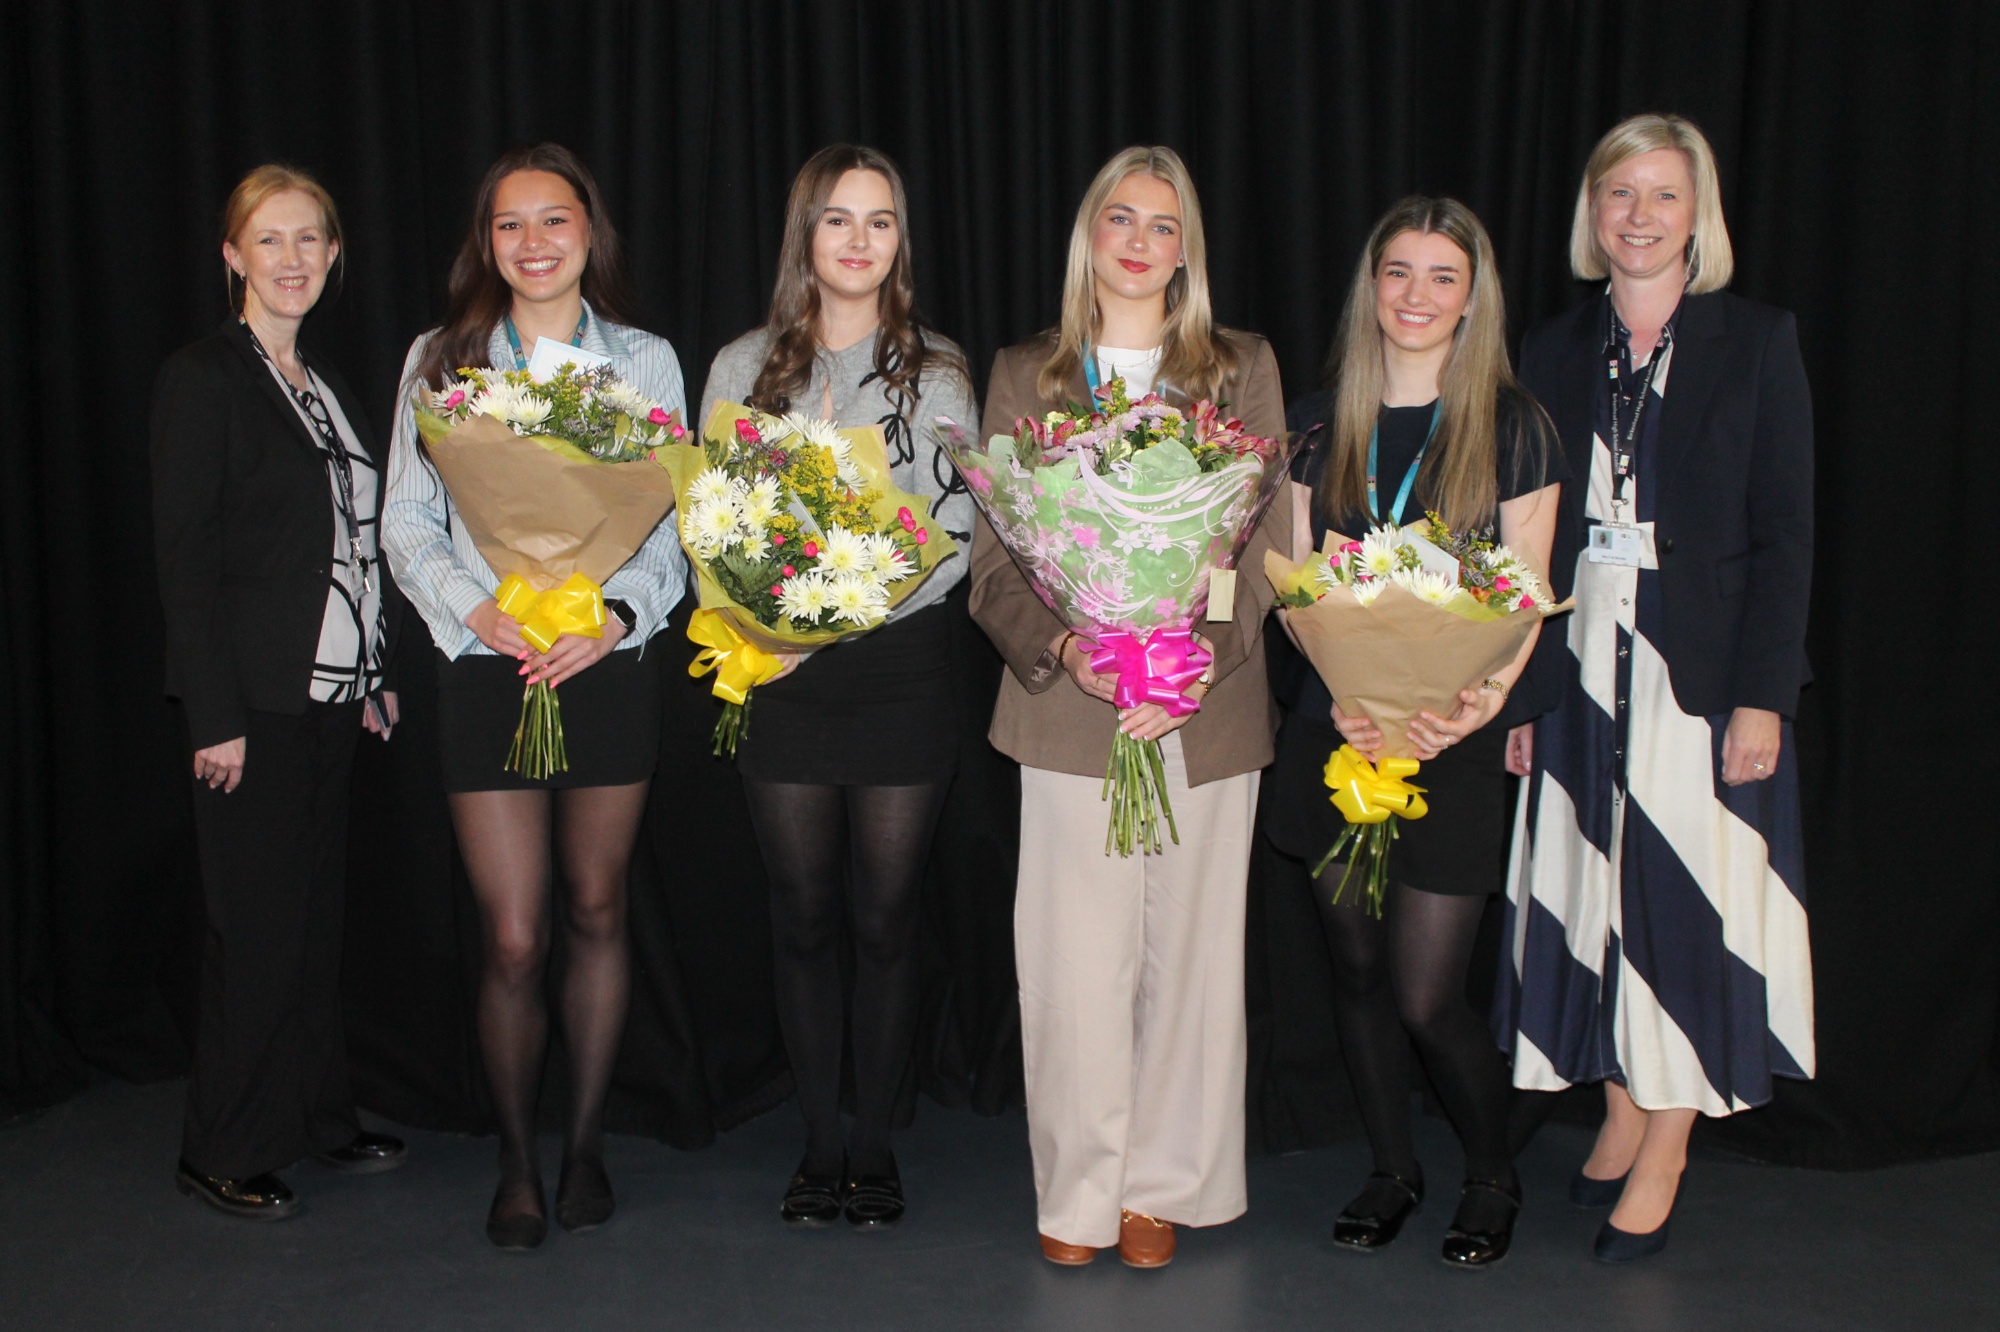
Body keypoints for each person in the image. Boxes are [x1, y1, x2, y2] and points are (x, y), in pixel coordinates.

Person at [1495, 113, 1815, 1263]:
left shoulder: (1754, 340)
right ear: (1592, 212)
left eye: (1662, 194)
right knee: (1594, 892)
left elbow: (1785, 532)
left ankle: (1668, 1135)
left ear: (1696, 216)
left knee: (1681, 900)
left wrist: (1762, 696)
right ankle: (1623, 1101)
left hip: (1701, 675)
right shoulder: (1548, 346)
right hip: (1578, 662)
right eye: (1618, 193)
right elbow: (1518, 537)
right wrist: (1520, 695)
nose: (1638, 215)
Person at [968, 145, 1290, 1270]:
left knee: (1190, 961)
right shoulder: (1028, 372)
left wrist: (1195, 659)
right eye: (1121, 218)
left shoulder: (1240, 367)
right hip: (1071, 708)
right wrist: (1068, 646)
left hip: (1204, 710)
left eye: (1163, 224)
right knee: (1073, 964)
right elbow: (996, 563)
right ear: (1088, 236)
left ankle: (1161, 1188)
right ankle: (1079, 1192)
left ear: (1185, 246)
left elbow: (1263, 545)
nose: (1140, 242)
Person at [380, 143, 689, 1250]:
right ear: (487, 242)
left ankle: (585, 1145)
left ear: (588, 231)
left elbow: (673, 520)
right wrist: (473, 609)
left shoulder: (645, 360)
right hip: (488, 661)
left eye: (554, 219)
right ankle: (515, 1162)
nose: (534, 242)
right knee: (513, 936)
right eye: (509, 224)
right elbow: (405, 516)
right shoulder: (441, 356)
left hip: (605, 666)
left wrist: (617, 620)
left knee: (598, 909)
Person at [1264, 197, 1565, 1267]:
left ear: (1472, 298)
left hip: (1452, 734)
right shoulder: (1317, 420)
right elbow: (1295, 586)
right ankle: (1392, 1168)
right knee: (1352, 972)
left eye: (1442, 276)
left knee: (1427, 995)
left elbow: (1527, 593)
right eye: (1397, 271)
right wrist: (1339, 686)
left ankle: (1490, 1173)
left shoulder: (1515, 425)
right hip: (1335, 727)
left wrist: (1474, 706)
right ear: (1370, 286)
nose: (1416, 295)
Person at [695, 144, 977, 1229]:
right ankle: (819, 1144)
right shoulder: (741, 367)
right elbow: (711, 519)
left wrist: (828, 622)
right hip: (778, 680)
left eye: (880, 221)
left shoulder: (938, 373)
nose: (859, 241)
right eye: (838, 219)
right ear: (803, 235)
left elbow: (953, 540)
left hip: (897, 674)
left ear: (900, 242)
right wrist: (771, 628)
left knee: (886, 919)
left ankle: (874, 1145)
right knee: (804, 916)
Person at [152, 164, 408, 1219]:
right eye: (270, 240)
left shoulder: (326, 384)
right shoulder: (203, 379)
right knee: (254, 929)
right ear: (233, 256)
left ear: (334, 255)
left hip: (327, 698)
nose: (292, 258)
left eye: (310, 240)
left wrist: (371, 672)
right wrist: (213, 718)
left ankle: (315, 1114)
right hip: (250, 707)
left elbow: (353, 544)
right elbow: (187, 562)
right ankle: (222, 1144)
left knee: (312, 920)